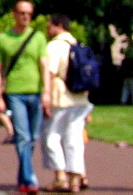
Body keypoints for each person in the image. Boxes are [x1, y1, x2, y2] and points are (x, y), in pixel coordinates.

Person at [0, 0, 49, 194]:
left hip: (36, 91)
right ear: (14, 14)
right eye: (22, 13)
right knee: (23, 136)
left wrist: (47, 92)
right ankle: (30, 178)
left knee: (33, 137)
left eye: (29, 14)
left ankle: (23, 177)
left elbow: (44, 65)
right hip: (15, 92)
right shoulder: (4, 39)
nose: (26, 17)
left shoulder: (38, 37)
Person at [42, 14, 93, 193]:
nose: (48, 29)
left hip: (60, 97)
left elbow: (49, 72)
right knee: (74, 140)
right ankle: (75, 180)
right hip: (79, 99)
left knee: (51, 137)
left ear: (58, 26)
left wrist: (45, 95)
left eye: (49, 26)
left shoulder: (55, 46)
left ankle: (60, 177)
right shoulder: (78, 45)